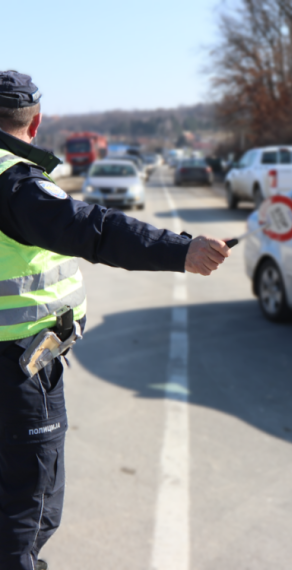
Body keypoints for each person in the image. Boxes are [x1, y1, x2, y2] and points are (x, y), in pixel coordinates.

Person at [0, 71, 231, 570]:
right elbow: (95, 230)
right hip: (18, 373)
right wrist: (183, 251)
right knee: (25, 515)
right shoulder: (14, 182)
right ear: (35, 123)